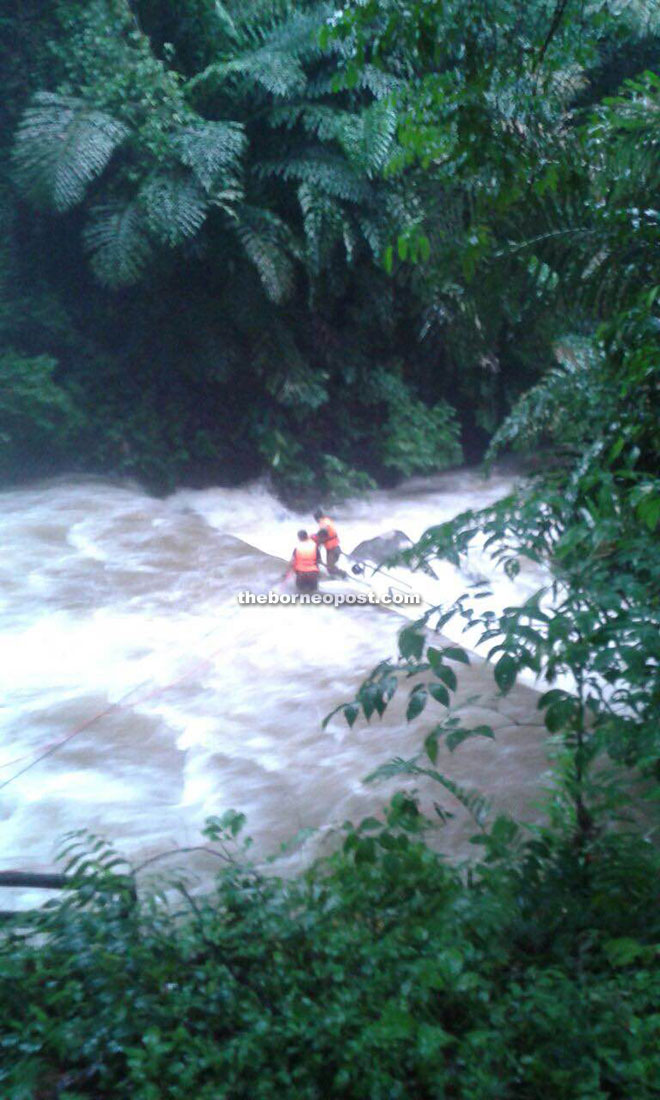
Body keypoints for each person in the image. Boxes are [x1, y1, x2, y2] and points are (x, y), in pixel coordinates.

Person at [312, 508, 345, 577]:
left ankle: (343, 575)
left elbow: (323, 534)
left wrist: (316, 545)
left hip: (333, 549)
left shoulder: (323, 523)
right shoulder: (327, 520)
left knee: (330, 568)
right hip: (334, 547)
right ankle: (339, 576)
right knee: (330, 567)